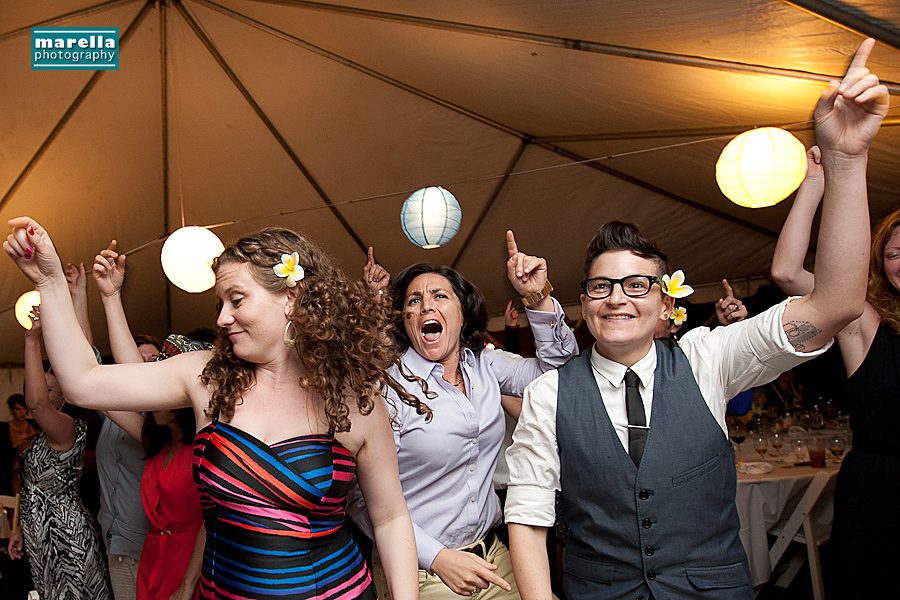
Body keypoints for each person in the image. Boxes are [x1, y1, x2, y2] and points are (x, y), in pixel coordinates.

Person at [503, 39, 887, 600]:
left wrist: (847, 162)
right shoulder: (549, 394)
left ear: (665, 304)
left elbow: (835, 303)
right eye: (601, 286)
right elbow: (528, 517)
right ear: (584, 303)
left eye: (636, 285)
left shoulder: (708, 356)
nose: (617, 298)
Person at [4, 225, 422, 600]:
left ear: (290, 298)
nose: (222, 318)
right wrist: (50, 281)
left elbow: (390, 518)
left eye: (236, 300)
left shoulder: (353, 400)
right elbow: (82, 382)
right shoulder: (207, 378)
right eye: (219, 303)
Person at [351, 235, 578, 599]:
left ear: (463, 313)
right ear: (405, 320)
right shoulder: (388, 389)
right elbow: (361, 498)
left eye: (439, 296)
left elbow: (561, 376)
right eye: (414, 300)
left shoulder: (486, 366)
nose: (426, 305)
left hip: (492, 555)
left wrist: (537, 297)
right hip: (420, 568)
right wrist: (437, 557)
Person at [771, 152, 899, 595]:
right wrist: (813, 184)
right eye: (895, 253)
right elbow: (787, 272)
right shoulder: (863, 319)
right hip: (880, 497)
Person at [94, 240, 207, 600]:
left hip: (192, 565)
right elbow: (113, 382)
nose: (153, 388)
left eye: (164, 381)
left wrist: (188, 583)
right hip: (152, 559)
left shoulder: (209, 439)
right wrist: (109, 296)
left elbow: (212, 520)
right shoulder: (155, 437)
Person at [8, 298, 112, 598]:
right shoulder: (38, 438)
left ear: (64, 395)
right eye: (37, 384)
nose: (39, 391)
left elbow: (37, 404)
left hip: (66, 538)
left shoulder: (67, 427)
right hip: (40, 537)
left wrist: (32, 339)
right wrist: (18, 528)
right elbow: (30, 487)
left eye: (48, 388)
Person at [94, 240, 156, 600]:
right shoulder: (141, 422)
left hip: (165, 551)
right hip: (120, 541)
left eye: (156, 363)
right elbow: (89, 373)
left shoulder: (161, 429)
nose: (148, 368)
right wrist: (106, 296)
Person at [5, 393, 38, 494]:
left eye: (24, 409)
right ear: (12, 410)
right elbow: (14, 445)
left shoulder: (32, 424)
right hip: (15, 463)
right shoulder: (6, 427)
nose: (22, 412)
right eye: (18, 409)